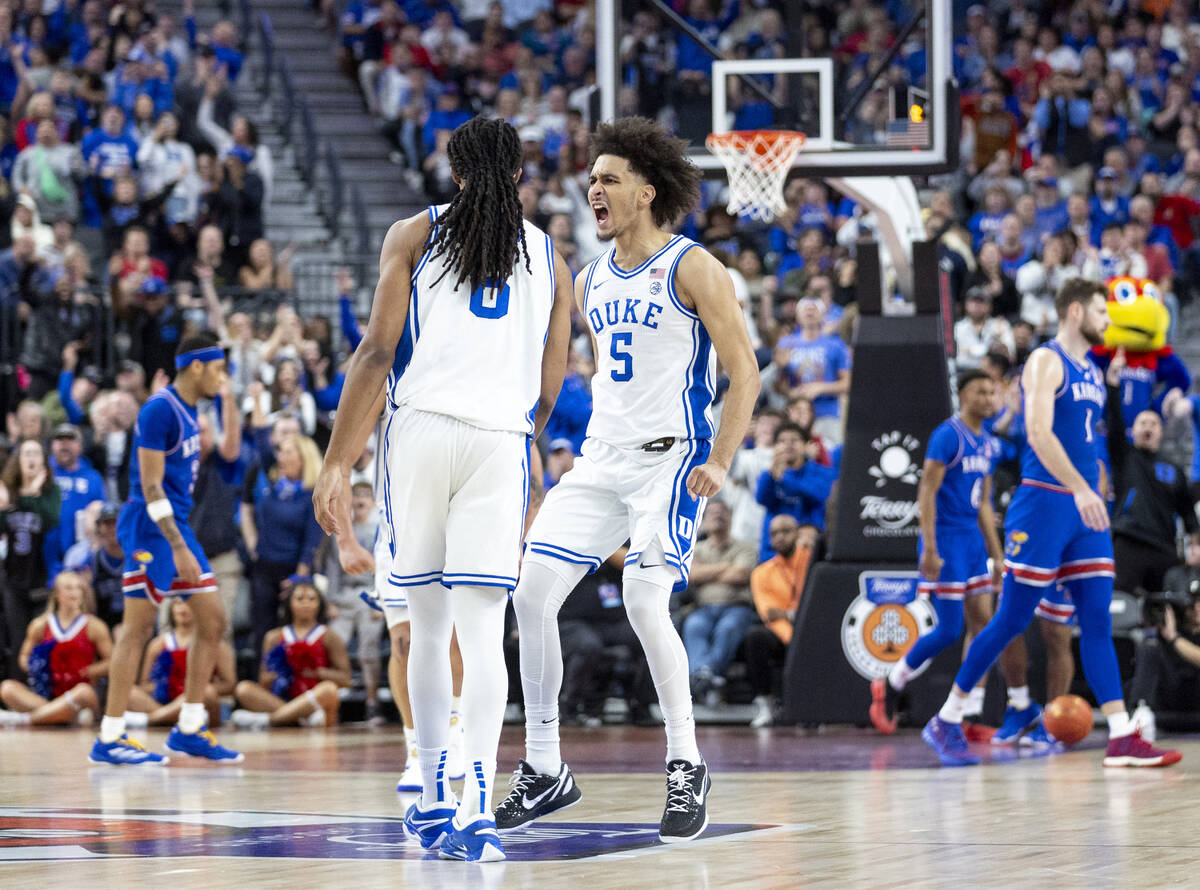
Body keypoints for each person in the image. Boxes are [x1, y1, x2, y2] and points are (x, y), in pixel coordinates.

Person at [313, 116, 572, 862]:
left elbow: (376, 351)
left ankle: (430, 794)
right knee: (482, 634)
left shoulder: (414, 234)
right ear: (518, 174)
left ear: (454, 172)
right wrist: (518, 441)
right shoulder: (551, 259)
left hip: (422, 434)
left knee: (426, 629)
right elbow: (551, 384)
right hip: (502, 440)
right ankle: (478, 807)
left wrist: (337, 461)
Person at [495, 117, 760, 844]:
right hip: (600, 460)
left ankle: (686, 762)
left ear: (646, 191)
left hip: (671, 458)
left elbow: (745, 373)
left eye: (609, 179)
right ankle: (544, 767)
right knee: (531, 594)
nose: (595, 189)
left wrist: (720, 459)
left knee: (645, 599)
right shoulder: (587, 280)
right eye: (592, 180)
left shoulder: (692, 267)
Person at [923, 279, 1182, 769]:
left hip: (1086, 509)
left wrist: (1093, 488)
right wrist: (1080, 488)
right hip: (1043, 502)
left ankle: (1121, 736)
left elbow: (1088, 440)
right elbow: (1039, 432)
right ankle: (947, 718)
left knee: (1096, 619)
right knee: (1012, 619)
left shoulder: (1093, 370)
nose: (1108, 321)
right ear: (1076, 311)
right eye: (1102, 312)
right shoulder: (1047, 359)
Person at [90, 332, 243, 766]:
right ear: (197, 366)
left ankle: (189, 728)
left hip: (175, 525)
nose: (222, 378)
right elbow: (151, 485)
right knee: (137, 629)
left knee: (213, 622)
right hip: (149, 528)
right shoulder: (160, 408)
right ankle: (110, 735)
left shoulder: (192, 409)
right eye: (218, 369)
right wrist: (178, 546)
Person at [870, 370, 1004, 734]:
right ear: (963, 395)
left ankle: (969, 712)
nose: (988, 398)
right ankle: (892, 680)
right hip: (945, 538)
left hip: (973, 540)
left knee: (983, 623)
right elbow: (926, 492)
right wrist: (928, 547)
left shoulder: (989, 443)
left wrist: (997, 555)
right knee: (949, 629)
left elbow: (985, 503)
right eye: (980, 391)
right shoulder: (948, 435)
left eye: (991, 391)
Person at [241, 432, 325, 654]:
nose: (281, 457)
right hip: (263, 568)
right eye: (280, 451)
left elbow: (312, 540)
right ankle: (263, 673)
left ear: (303, 458)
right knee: (262, 631)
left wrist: (299, 579)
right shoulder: (275, 485)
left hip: (292, 572)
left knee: (294, 632)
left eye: (288, 452)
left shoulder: (312, 495)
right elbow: (263, 448)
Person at [231, 579, 351, 727]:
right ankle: (300, 718)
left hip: (314, 699)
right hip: (281, 699)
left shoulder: (329, 635)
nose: (306, 603)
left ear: (320, 604)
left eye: (312, 599)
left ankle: (268, 720)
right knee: (243, 689)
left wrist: (316, 672)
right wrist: (280, 674)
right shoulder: (273, 636)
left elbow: (346, 679)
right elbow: (263, 679)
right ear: (289, 603)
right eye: (299, 599)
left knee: (329, 689)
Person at [0, 572, 110, 726]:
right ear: (57, 594)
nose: (75, 593)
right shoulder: (40, 624)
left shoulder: (94, 625)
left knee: (83, 691)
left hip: (80, 693)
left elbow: (112, 662)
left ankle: (25, 719)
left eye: (78, 588)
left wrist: (91, 670)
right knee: (7, 688)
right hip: (47, 695)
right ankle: (62, 714)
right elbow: (24, 656)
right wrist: (36, 666)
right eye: (69, 588)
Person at [681, 499, 758, 702]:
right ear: (703, 521)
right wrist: (726, 566)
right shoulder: (696, 548)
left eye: (723, 512)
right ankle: (706, 676)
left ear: (731, 519)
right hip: (703, 608)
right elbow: (691, 575)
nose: (718, 516)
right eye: (712, 513)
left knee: (728, 628)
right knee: (694, 626)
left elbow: (740, 575)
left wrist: (705, 572)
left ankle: (703, 674)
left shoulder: (745, 547)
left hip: (736, 607)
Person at [744, 516, 817, 728]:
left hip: (811, 629)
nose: (780, 537)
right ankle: (766, 705)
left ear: (798, 534)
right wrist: (792, 638)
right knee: (755, 638)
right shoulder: (761, 573)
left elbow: (819, 606)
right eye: (774, 533)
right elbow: (770, 615)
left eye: (785, 531)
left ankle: (813, 708)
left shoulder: (812, 562)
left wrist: (789, 615)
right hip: (783, 634)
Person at [322, 481, 385, 723]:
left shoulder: (380, 530)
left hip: (370, 595)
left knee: (369, 649)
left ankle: (372, 703)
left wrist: (381, 599)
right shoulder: (342, 530)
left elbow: (385, 566)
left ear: (373, 502)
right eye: (356, 495)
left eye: (366, 495)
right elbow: (332, 568)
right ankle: (331, 702)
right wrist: (331, 601)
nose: (360, 500)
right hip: (345, 596)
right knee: (333, 643)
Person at [0, 438, 62, 679]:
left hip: (42, 578)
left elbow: (50, 520)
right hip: (13, 579)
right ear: (18, 460)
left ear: (44, 461)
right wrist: (4, 508)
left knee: (39, 640)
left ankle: (42, 689)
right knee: (17, 640)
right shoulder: (7, 490)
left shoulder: (51, 492)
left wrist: (33, 494)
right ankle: (16, 692)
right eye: (26, 453)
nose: (31, 458)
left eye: (36, 453)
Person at [126, 599, 236, 727]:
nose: (183, 608)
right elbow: (144, 684)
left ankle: (152, 719)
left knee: (207, 692)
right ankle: (170, 717)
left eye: (188, 604)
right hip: (163, 702)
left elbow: (230, 685)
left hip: (197, 701)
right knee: (129, 692)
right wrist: (166, 685)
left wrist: (190, 689)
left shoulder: (215, 644)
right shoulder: (157, 644)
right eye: (178, 603)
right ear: (171, 609)